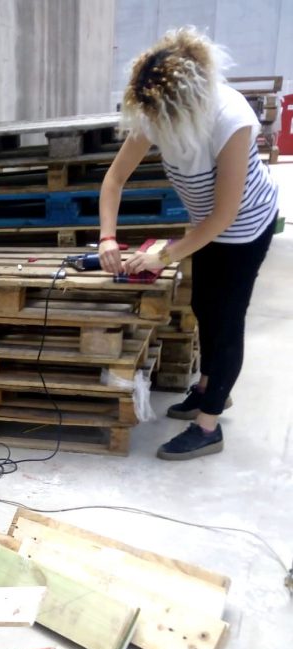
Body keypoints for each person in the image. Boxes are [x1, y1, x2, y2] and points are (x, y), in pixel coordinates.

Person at [99, 27, 278, 461]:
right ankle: (208, 387)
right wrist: (107, 236)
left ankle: (209, 426)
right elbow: (115, 179)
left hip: (246, 226)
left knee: (226, 318)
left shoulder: (230, 119)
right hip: (206, 225)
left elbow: (225, 216)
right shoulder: (156, 111)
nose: (155, 129)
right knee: (203, 305)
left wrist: (162, 255)